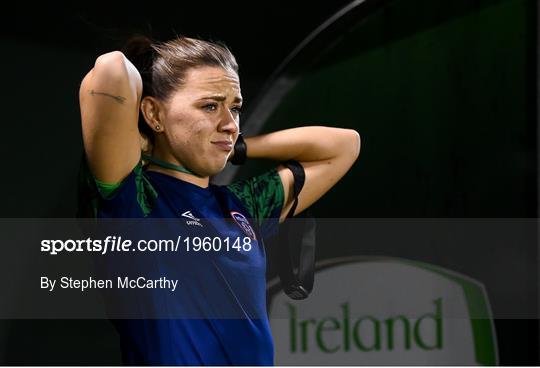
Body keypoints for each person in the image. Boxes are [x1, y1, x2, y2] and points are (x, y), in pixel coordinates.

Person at [78, 35, 360, 365]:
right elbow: (111, 68)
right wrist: (140, 136)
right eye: (210, 106)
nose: (229, 124)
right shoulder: (132, 198)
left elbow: (344, 146)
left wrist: (237, 146)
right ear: (153, 113)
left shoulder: (242, 207)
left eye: (235, 108)